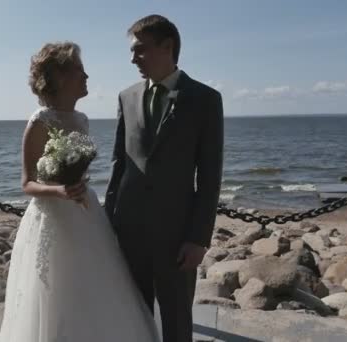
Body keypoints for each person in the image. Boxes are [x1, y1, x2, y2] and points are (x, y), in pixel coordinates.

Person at [0, 41, 159, 342]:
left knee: (95, 285)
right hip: (53, 217)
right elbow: (27, 183)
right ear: (60, 77)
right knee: (57, 292)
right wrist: (60, 190)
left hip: (86, 212)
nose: (86, 77)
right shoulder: (39, 121)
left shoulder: (82, 119)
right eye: (80, 71)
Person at [104, 14, 224, 342]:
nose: (133, 59)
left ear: (167, 46)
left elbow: (211, 176)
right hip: (129, 229)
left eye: (140, 50)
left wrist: (199, 238)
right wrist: (107, 223)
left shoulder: (205, 99)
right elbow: (119, 165)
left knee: (177, 319)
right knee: (134, 315)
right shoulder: (126, 97)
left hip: (177, 234)